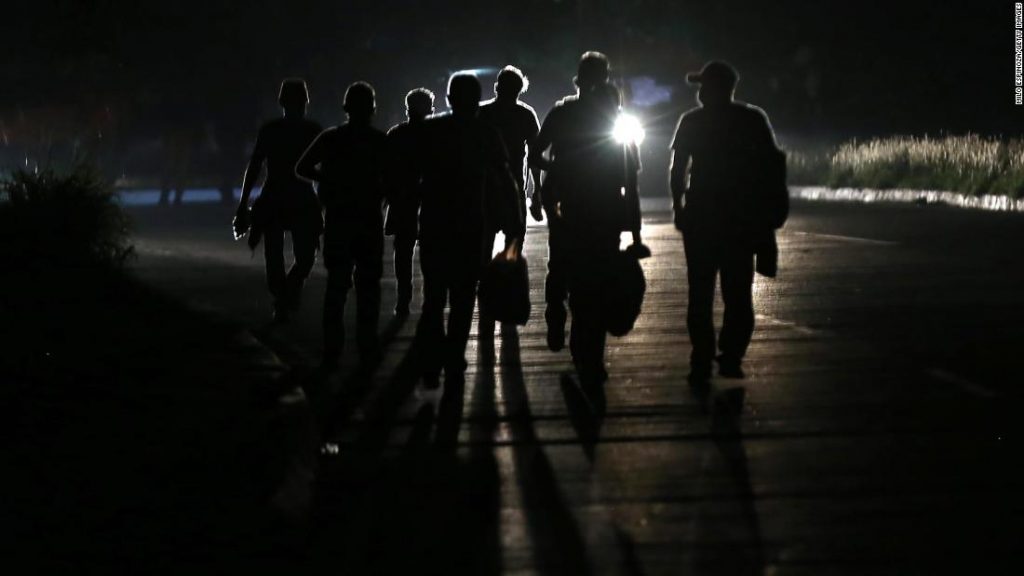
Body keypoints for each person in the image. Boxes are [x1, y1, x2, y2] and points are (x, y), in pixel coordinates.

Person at [529, 52, 644, 384]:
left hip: (567, 205)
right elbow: (630, 181)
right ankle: (589, 354)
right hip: (603, 209)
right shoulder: (613, 120)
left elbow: (535, 154)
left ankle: (557, 313)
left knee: (563, 265)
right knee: (596, 280)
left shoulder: (562, 114)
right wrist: (636, 234)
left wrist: (558, 170)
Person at [669, 61, 780, 382]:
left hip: (702, 216)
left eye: (703, 85)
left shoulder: (692, 121)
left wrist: (678, 207)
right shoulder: (752, 119)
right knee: (738, 292)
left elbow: (678, 169)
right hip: (740, 218)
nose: (700, 91)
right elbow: (770, 167)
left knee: (700, 291)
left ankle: (702, 354)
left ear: (715, 88)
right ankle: (731, 354)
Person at [412, 73, 524, 387]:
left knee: (434, 295)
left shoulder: (431, 130)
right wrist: (515, 217)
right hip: (471, 222)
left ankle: (432, 356)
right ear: (477, 100)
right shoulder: (486, 133)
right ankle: (454, 355)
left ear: (449, 99)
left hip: (434, 221)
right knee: (463, 296)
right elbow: (505, 178)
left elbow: (408, 172)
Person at [296, 82, 387, 369]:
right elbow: (394, 176)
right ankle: (367, 344)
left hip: (338, 218)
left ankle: (333, 347)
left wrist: (328, 181)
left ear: (346, 108)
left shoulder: (332, 138)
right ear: (372, 109)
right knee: (369, 286)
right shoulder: (379, 141)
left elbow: (302, 167)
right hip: (369, 219)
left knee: (337, 285)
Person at [234, 78, 323, 323]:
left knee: (277, 257)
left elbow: (255, 166)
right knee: (302, 257)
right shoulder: (311, 130)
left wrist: (243, 205)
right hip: (299, 196)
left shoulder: (273, 130)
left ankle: (283, 296)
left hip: (276, 195)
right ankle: (287, 293)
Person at [384, 88, 435, 316]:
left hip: (402, 198)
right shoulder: (437, 134)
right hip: (431, 199)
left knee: (403, 251)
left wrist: (388, 195)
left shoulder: (396, 134)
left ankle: (404, 298)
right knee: (431, 252)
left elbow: (385, 170)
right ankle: (429, 298)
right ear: (430, 109)